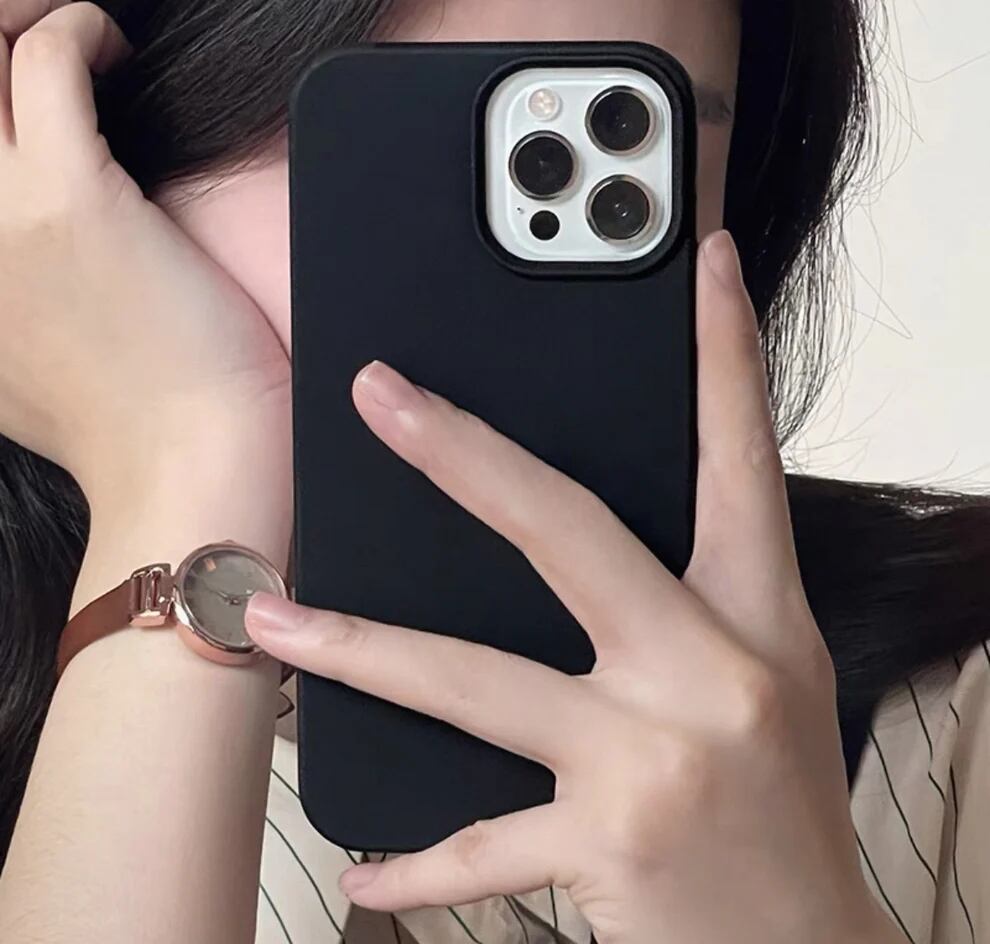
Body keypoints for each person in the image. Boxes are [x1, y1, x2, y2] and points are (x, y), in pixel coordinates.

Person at [0, 0, 986, 942]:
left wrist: (793, 926)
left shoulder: (958, 724)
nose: (464, 289)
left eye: (626, 136)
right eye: (376, 140)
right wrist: (190, 460)